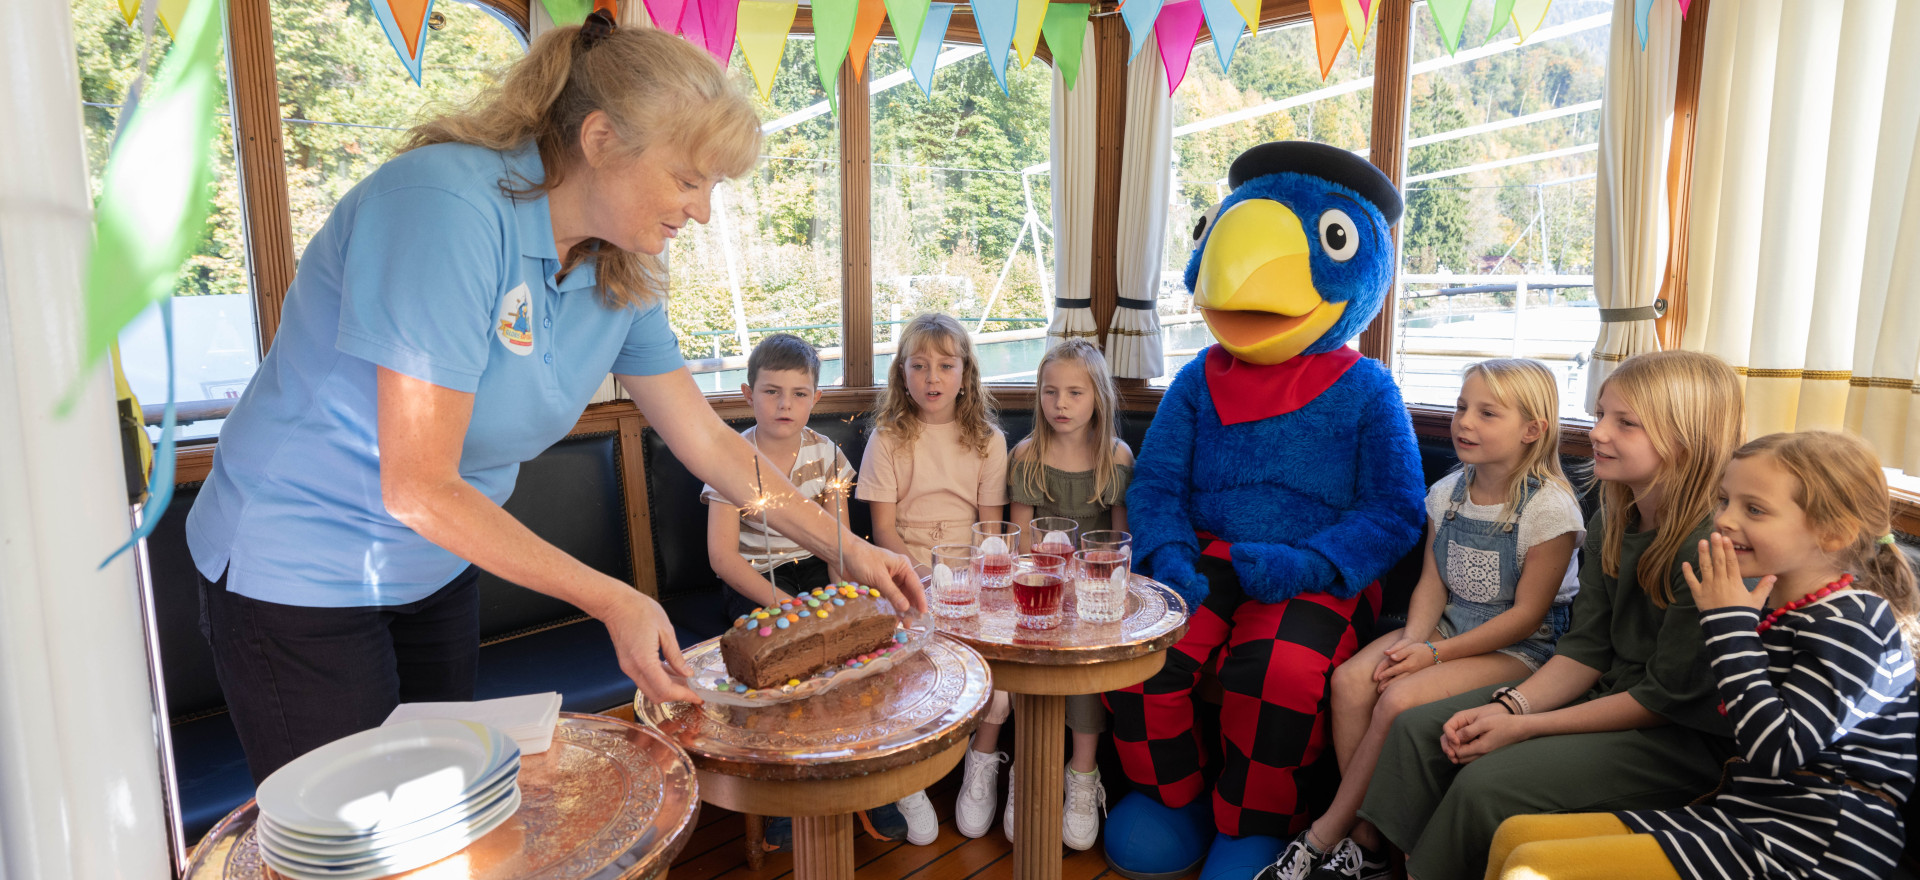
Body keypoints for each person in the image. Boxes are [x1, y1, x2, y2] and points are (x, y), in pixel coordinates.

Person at [183, 13, 920, 785]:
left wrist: (852, 550)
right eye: (688, 178)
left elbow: (705, 442)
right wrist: (614, 598)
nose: (701, 210)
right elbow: (419, 484)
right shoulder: (446, 208)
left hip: (437, 564)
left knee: (437, 812)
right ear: (601, 140)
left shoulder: (624, 271)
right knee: (354, 835)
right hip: (298, 566)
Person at [1347, 350, 1746, 880]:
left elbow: (1661, 699)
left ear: (1685, 437)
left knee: (1484, 782)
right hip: (1602, 691)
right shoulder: (1615, 514)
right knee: (1423, 729)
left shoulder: (1708, 548)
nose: (1597, 433)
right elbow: (1585, 650)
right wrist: (1514, 707)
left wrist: (1525, 723)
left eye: (1624, 423)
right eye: (1601, 414)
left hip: (1676, 737)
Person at [1487, 431, 1919, 880]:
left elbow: (1778, 749)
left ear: (1834, 532)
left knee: (1531, 868)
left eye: (1754, 509)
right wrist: (1735, 624)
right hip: (1749, 817)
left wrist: (1730, 626)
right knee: (1514, 836)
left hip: (1817, 844)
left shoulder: (1855, 622)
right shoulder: (1776, 609)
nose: (1724, 521)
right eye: (1724, 501)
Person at [1274, 359, 1584, 880]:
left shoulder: (1550, 510)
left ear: (1533, 430)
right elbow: (1432, 584)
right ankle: (1371, 841)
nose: (1465, 422)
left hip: (1521, 648)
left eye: (1488, 413)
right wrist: (1412, 644)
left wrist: (1432, 656)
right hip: (1447, 625)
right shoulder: (1447, 492)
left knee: (1397, 699)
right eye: (1463, 407)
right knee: (1353, 681)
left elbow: (1528, 618)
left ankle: (1328, 832)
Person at [955, 340, 1133, 850]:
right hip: (1036, 595)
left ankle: (1081, 776)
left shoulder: (1117, 458)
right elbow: (1019, 541)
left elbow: (1118, 547)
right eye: (1051, 391)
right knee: (1019, 671)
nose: (1061, 403)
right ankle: (999, 767)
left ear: (1097, 396)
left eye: (1075, 392)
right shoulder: (1027, 455)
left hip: (1093, 601)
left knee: (1082, 677)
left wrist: (1092, 591)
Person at [856, 311, 1009, 844]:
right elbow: (881, 530)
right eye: (918, 366)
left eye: (946, 365)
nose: (932, 377)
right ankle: (908, 784)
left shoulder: (989, 440)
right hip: (905, 573)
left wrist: (969, 584)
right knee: (901, 674)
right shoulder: (887, 437)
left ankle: (981, 765)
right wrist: (926, 578)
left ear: (966, 373)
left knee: (1001, 680)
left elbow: (993, 530)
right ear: (902, 374)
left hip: (973, 576)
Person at [703, 333, 852, 612]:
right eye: (772, 391)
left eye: (799, 393)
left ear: (815, 399)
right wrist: (789, 607)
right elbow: (722, 558)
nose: (785, 403)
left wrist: (843, 597)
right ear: (749, 394)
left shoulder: (827, 453)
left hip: (815, 565)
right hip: (755, 575)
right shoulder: (730, 459)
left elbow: (839, 541)